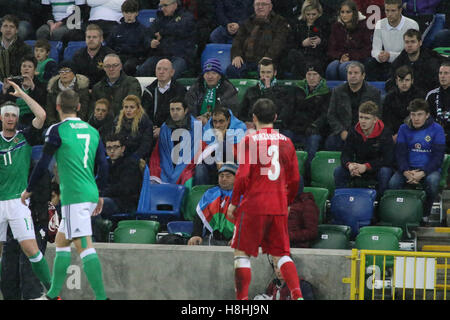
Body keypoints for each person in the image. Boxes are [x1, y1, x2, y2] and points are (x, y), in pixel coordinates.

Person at [21, 89, 109, 300]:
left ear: (58, 107)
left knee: (85, 247)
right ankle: (52, 295)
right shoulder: (92, 130)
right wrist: (100, 194)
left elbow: (43, 163)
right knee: (61, 242)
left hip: (75, 196)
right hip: (89, 192)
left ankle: (102, 298)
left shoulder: (57, 130)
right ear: (79, 107)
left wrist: (29, 189)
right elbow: (104, 165)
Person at [227, 98, 303, 300]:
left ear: (253, 118)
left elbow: (242, 176)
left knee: (241, 254)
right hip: (278, 205)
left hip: (254, 205)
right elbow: (295, 179)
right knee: (281, 255)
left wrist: (234, 202)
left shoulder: (249, 141)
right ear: (275, 117)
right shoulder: (287, 142)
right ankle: (297, 296)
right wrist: (287, 202)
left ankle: (242, 301)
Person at [0, 80, 52, 295]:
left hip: (18, 201)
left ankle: (52, 290)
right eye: (7, 115)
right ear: (1, 118)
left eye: (14, 115)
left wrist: (23, 95)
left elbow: (41, 116)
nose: (11, 118)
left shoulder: (25, 137)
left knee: (32, 250)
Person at [388, 98, 445, 225]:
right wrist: (405, 171)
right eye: (413, 114)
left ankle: (425, 214)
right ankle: (399, 215)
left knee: (433, 181)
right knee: (393, 184)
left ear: (427, 115)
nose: (416, 118)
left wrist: (423, 172)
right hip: (408, 169)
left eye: (419, 114)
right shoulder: (403, 128)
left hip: (429, 170)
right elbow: (400, 154)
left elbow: (438, 158)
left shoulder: (437, 129)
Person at [0, 162, 51, 300]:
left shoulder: (38, 170)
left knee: (30, 279)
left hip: (35, 226)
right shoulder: (6, 169)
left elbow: (43, 198)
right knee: (8, 279)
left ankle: (50, 293)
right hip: (11, 231)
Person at [282, 61, 331, 182]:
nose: (311, 77)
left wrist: (315, 125)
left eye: (315, 74)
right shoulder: (296, 89)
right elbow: (288, 110)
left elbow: (325, 115)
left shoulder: (327, 93)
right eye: (309, 74)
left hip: (313, 130)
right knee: (283, 140)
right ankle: (284, 174)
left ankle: (308, 177)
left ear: (320, 76)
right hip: (295, 128)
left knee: (313, 144)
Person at [334, 101, 394, 196]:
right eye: (361, 117)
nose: (363, 121)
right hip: (358, 167)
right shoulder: (353, 131)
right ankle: (342, 199)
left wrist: (366, 166)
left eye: (367, 118)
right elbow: (345, 154)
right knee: (339, 171)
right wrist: (350, 165)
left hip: (375, 168)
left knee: (385, 172)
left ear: (375, 119)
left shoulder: (385, 134)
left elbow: (388, 159)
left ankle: (380, 203)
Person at [93, 132, 143, 241]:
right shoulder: (103, 164)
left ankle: (99, 240)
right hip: (106, 199)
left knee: (94, 205)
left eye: (115, 147)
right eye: (109, 148)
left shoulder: (130, 164)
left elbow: (125, 189)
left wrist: (101, 193)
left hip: (124, 203)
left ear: (123, 148)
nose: (112, 151)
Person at [149, 97, 207, 186]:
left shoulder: (196, 126)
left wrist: (181, 170)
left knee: (198, 170)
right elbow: (161, 152)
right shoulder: (165, 127)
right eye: (172, 109)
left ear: (186, 110)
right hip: (169, 166)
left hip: (189, 166)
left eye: (178, 109)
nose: (175, 113)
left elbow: (198, 151)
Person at [226, 0, 290, 79]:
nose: (260, 7)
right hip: (246, 60)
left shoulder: (280, 22)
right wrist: (236, 55)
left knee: (265, 71)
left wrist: (269, 56)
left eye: (263, 4)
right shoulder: (248, 21)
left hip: (268, 60)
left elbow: (279, 42)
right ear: (253, 7)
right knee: (232, 69)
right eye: (257, 4)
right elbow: (237, 40)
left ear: (270, 7)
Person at [326, 61, 381, 151]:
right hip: (343, 131)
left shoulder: (373, 93)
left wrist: (365, 131)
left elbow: (377, 116)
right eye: (350, 73)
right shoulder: (337, 91)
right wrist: (341, 131)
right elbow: (331, 115)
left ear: (363, 76)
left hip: (365, 131)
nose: (352, 76)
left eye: (356, 73)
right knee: (330, 142)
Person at [135, 0, 196, 80]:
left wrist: (162, 32)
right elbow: (147, 34)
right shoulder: (160, 17)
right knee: (142, 71)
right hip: (160, 55)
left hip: (180, 56)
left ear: (175, 4)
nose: (162, 8)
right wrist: (150, 42)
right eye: (161, 6)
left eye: (165, 5)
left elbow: (179, 28)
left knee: (170, 74)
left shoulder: (187, 17)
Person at [365, 0, 419, 81]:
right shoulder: (380, 24)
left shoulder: (412, 25)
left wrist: (390, 55)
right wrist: (379, 56)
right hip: (385, 61)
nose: (389, 14)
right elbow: (375, 50)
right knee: (370, 63)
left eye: (393, 11)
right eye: (387, 10)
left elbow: (411, 53)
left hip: (403, 61)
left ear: (400, 10)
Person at [187, 162, 237, 246]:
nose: (224, 179)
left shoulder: (244, 195)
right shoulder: (210, 194)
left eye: (228, 176)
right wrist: (196, 234)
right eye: (221, 176)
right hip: (213, 239)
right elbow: (199, 216)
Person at [238, 57, 293, 131]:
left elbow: (280, 113)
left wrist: (268, 89)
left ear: (275, 73)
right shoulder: (251, 91)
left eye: (268, 72)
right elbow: (241, 113)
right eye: (262, 72)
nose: (265, 75)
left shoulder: (282, 92)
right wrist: (247, 122)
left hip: (274, 128)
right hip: (253, 128)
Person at [325, 0, 372, 81]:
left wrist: (350, 56)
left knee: (344, 68)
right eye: (342, 12)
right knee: (331, 68)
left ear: (354, 13)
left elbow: (367, 50)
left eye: (348, 12)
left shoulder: (364, 26)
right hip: (340, 59)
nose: (344, 15)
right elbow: (331, 49)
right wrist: (341, 56)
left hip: (359, 59)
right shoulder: (336, 26)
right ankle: (334, 92)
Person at [141, 59, 187, 139]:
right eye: (158, 69)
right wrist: (149, 127)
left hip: (173, 131)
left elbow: (181, 116)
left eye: (165, 69)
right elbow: (143, 113)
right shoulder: (148, 91)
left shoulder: (180, 91)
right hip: (151, 132)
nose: (161, 72)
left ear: (172, 72)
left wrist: (163, 129)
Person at [388, 28, 444, 93]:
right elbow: (391, 82)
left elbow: (436, 84)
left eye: (413, 42)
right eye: (407, 42)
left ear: (420, 43)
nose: (409, 45)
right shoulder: (399, 61)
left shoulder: (431, 61)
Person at [200, 107, 246, 184]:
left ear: (228, 120)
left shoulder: (239, 129)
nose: (217, 125)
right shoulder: (207, 129)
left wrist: (221, 141)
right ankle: (201, 192)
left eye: (221, 122)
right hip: (213, 163)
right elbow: (203, 153)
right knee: (200, 168)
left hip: (233, 162)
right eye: (215, 122)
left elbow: (238, 155)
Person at [185, 58, 239, 123]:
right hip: (196, 123)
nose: (210, 76)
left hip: (220, 124)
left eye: (214, 73)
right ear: (203, 75)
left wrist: (209, 119)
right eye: (207, 73)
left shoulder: (228, 89)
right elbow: (188, 108)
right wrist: (196, 120)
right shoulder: (196, 88)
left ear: (219, 76)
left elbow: (231, 112)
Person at [287, 0, 330, 78]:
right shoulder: (298, 25)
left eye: (314, 14)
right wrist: (302, 43)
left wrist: (320, 41)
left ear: (319, 13)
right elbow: (291, 43)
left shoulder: (324, 25)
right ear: (304, 14)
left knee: (314, 64)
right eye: (308, 14)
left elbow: (330, 43)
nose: (311, 17)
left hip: (318, 56)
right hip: (301, 55)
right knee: (294, 58)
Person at [0, 56, 47, 128]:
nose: (26, 68)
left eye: (30, 67)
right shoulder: (13, 84)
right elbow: (5, 104)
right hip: (13, 117)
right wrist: (4, 90)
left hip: (32, 120)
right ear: (21, 69)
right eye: (24, 66)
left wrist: (32, 87)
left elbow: (42, 103)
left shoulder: (40, 85)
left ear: (34, 70)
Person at [106, 0, 149, 76]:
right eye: (126, 12)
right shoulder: (116, 29)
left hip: (135, 58)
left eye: (131, 12)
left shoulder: (143, 30)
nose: (129, 15)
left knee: (128, 66)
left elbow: (145, 49)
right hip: (118, 57)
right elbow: (109, 46)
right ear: (122, 13)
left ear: (136, 13)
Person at [382, 65, 425, 141]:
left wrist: (401, 134)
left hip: (413, 133)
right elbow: (386, 119)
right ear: (396, 81)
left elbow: (418, 118)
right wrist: (391, 136)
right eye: (401, 80)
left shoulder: (419, 96)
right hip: (392, 135)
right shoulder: (389, 97)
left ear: (412, 81)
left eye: (407, 80)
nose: (404, 83)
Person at [46, 60, 90, 126]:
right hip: (57, 124)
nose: (64, 73)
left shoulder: (82, 88)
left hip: (77, 124)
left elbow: (84, 110)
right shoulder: (52, 89)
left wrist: (77, 124)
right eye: (61, 71)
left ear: (74, 72)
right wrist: (54, 124)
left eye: (67, 71)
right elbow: (50, 111)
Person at [71, 24, 115, 89]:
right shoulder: (78, 55)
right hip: (83, 91)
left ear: (101, 39)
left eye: (94, 37)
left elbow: (113, 78)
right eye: (88, 37)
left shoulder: (109, 55)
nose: (91, 39)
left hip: (104, 90)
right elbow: (74, 77)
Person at [113, 94, 153, 161]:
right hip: (119, 156)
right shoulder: (117, 121)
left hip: (138, 157)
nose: (128, 110)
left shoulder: (145, 122)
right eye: (126, 107)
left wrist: (134, 158)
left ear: (138, 108)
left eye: (132, 107)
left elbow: (146, 145)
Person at [426, 62, 450, 152]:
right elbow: (426, 118)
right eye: (440, 73)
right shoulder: (431, 95)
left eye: (446, 73)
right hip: (434, 136)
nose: (442, 76)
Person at [0, 15, 32, 81]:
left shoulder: (25, 49)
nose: (8, 30)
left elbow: (27, 73)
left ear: (16, 30)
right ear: (1, 29)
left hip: (16, 85)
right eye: (5, 26)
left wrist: (11, 82)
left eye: (11, 27)